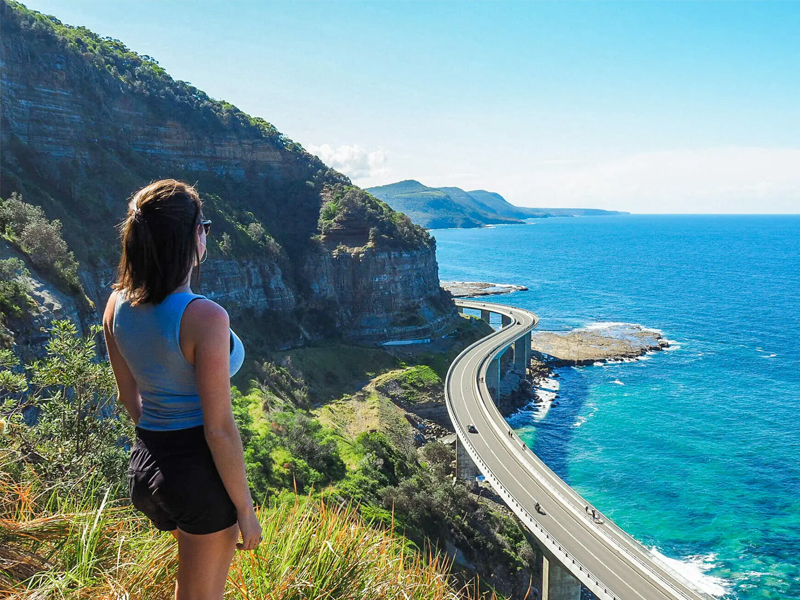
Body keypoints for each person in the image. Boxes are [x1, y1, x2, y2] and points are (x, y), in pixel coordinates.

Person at [101, 179, 262, 600]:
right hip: (196, 473)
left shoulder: (117, 304)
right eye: (204, 225)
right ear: (193, 235)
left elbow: (127, 397)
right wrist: (245, 511)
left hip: (146, 464)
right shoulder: (204, 317)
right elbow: (219, 429)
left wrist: (161, 450)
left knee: (189, 588)